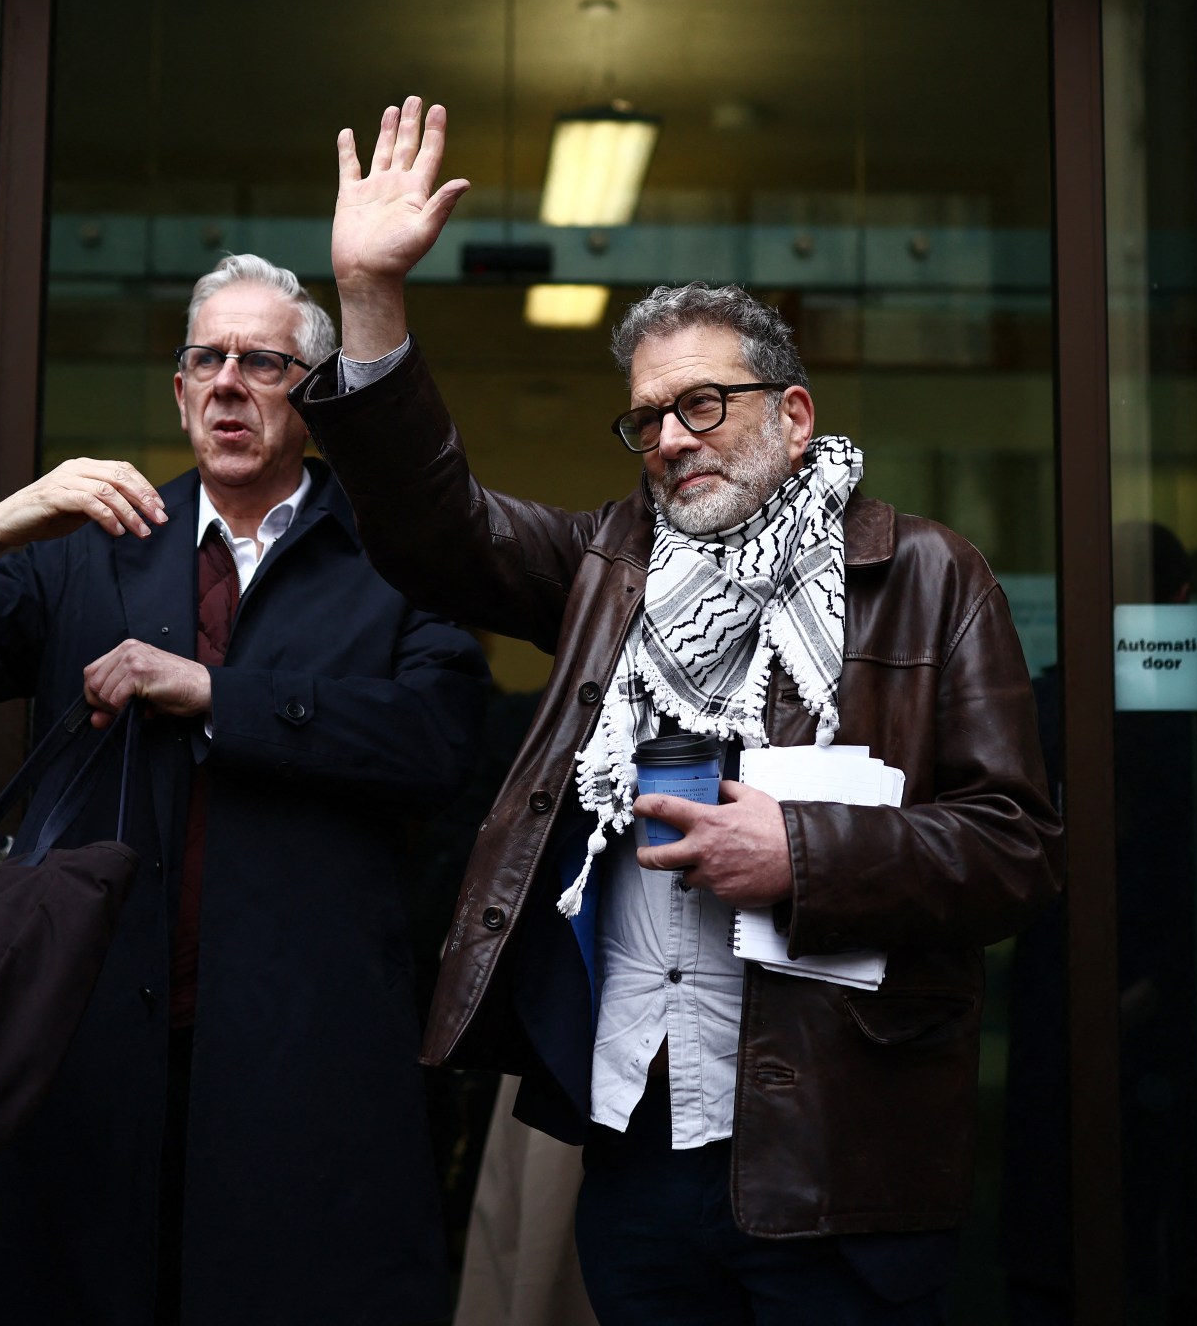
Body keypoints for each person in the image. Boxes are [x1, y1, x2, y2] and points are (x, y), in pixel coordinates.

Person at [293, 98, 1065, 1325]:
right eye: (647, 416)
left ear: (793, 416)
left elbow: (1015, 853)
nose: (667, 437)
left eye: (702, 403)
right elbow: (438, 527)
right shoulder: (610, 564)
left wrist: (802, 853)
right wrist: (371, 299)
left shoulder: (926, 573)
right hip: (638, 1131)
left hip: (838, 1155)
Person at [0, 253, 489, 1326]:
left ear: (312, 395)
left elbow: (443, 745)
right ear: (178, 392)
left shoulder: (394, 556)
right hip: (86, 1062)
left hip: (306, 1067)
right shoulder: (89, 551)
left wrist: (221, 695)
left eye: (262, 363)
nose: (228, 384)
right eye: (206, 360)